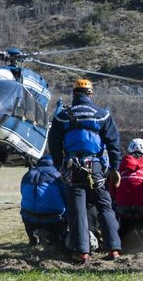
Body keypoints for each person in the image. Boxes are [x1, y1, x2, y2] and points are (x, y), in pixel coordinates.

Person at [48, 78, 122, 264]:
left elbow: (54, 144)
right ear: (90, 94)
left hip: (72, 168)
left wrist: (59, 165)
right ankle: (113, 249)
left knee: (77, 210)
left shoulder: (62, 116)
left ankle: (83, 252)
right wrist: (115, 168)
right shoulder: (102, 115)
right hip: (95, 166)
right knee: (104, 206)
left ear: (74, 94)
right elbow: (113, 144)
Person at [20, 155, 67, 246]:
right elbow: (66, 196)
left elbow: (22, 192)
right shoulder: (57, 174)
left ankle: (33, 240)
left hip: (30, 218)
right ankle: (59, 239)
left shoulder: (27, 175)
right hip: (54, 219)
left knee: (25, 209)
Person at [110, 138, 143, 238]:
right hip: (141, 206)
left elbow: (112, 185)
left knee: (123, 220)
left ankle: (120, 240)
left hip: (123, 205)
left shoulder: (121, 164)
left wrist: (117, 199)